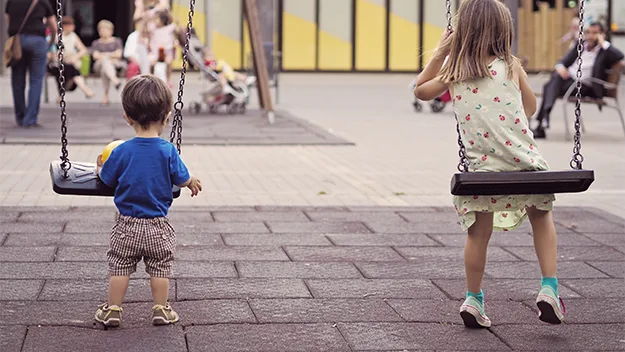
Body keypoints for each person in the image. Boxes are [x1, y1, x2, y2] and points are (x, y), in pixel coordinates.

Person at [414, 0, 563, 328]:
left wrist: (441, 51)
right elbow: (531, 109)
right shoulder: (511, 66)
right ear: (503, 31)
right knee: (542, 217)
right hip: (527, 168)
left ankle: (473, 299)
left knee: (478, 235)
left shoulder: (455, 72)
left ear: (460, 32)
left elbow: (421, 91)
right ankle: (549, 288)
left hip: (482, 174)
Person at [94, 74, 202, 327]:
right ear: (166, 117)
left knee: (120, 267)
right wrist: (192, 181)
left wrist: (101, 166)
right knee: (160, 268)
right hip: (158, 226)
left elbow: (107, 179)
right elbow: (182, 177)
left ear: (127, 117)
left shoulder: (121, 151)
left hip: (126, 226)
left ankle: (113, 310)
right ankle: (161, 309)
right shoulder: (168, 150)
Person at [533, 21, 624, 139]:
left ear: (602, 35)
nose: (590, 36)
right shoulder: (580, 45)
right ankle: (544, 120)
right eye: (589, 33)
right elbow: (563, 61)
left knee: (549, 86)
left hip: (586, 86)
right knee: (555, 79)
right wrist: (560, 68)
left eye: (595, 33)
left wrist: (603, 43)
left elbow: (620, 56)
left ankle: (543, 121)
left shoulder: (604, 51)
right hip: (569, 81)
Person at [5, 0, 56, 128]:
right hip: (37, 41)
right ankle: (30, 119)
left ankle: (20, 117)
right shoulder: (42, 2)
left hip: (18, 42)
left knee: (17, 80)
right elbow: (53, 26)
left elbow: (8, 22)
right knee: (36, 81)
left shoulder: (11, 2)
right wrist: (51, 43)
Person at [47, 16, 94, 101]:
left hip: (70, 62)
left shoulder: (73, 36)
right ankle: (85, 90)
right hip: (56, 63)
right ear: (64, 26)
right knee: (68, 70)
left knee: (69, 69)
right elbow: (49, 52)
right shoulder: (55, 36)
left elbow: (83, 50)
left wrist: (75, 57)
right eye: (70, 25)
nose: (73, 27)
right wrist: (56, 56)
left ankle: (61, 95)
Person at [90, 20, 126, 105]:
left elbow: (119, 54)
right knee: (104, 62)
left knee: (104, 68)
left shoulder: (117, 41)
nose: (103, 31)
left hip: (115, 65)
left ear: (111, 30)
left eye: (105, 29)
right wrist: (109, 56)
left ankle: (106, 96)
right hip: (99, 65)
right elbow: (95, 56)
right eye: (101, 29)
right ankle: (115, 80)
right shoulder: (96, 43)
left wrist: (104, 55)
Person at [147, 10, 178, 84]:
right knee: (152, 63)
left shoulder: (170, 28)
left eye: (157, 19)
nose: (155, 20)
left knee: (168, 61)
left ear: (163, 20)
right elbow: (147, 27)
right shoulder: (153, 28)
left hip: (167, 50)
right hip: (155, 51)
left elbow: (176, 30)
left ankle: (168, 79)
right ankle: (152, 78)